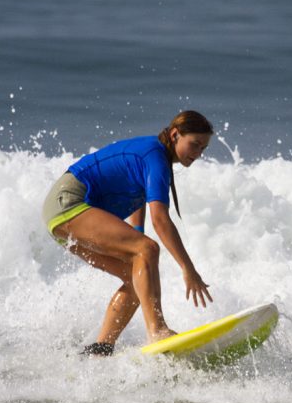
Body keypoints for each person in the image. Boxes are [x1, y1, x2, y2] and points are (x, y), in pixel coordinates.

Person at [42, 110, 214, 356]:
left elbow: (138, 197)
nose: (198, 154)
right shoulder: (155, 156)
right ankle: (157, 330)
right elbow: (161, 220)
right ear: (176, 135)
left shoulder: (156, 159)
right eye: (195, 145)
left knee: (138, 276)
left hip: (62, 216)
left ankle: (100, 349)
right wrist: (188, 268)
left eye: (203, 149)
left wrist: (136, 241)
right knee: (148, 248)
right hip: (68, 203)